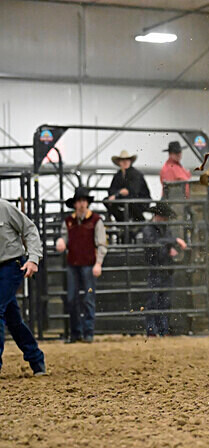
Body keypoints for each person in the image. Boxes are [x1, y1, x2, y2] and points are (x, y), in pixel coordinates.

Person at [0, 199, 46, 376]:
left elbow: (29, 229)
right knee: (12, 319)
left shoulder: (4, 208)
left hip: (12, 265)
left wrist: (33, 258)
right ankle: (36, 358)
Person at [56, 187, 107, 343]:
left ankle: (86, 332)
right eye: (79, 201)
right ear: (75, 204)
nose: (81, 204)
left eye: (83, 201)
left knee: (87, 298)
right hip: (74, 264)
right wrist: (61, 241)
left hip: (88, 265)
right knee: (73, 299)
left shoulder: (96, 220)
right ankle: (78, 332)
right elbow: (64, 237)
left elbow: (101, 244)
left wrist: (98, 263)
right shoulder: (69, 221)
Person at [141, 202, 187, 337]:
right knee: (154, 301)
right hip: (155, 268)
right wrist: (172, 242)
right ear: (158, 216)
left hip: (164, 268)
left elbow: (159, 243)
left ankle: (162, 329)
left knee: (164, 302)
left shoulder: (161, 229)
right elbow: (153, 245)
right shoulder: (150, 229)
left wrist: (169, 247)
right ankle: (153, 330)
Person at [105, 149, 151, 223]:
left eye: (127, 160)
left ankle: (139, 220)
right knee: (106, 201)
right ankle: (121, 220)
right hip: (126, 201)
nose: (125, 162)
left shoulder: (136, 174)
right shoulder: (118, 175)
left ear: (130, 161)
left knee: (129, 202)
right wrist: (115, 195)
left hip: (139, 202)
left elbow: (131, 191)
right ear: (119, 162)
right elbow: (112, 189)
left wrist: (116, 195)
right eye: (123, 160)